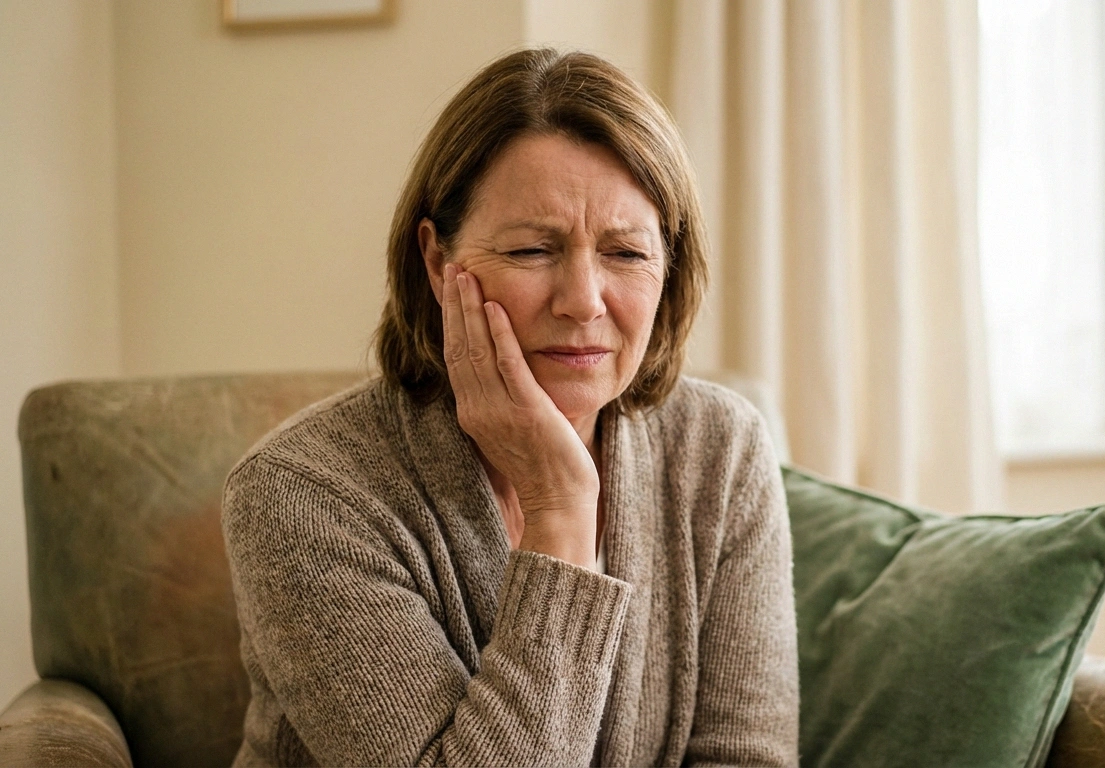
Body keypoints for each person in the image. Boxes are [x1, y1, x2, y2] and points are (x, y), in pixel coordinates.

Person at [221, 48, 799, 767]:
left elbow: (745, 757)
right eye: (532, 249)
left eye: (625, 254)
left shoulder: (722, 448)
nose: (584, 300)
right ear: (438, 262)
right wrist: (559, 506)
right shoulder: (301, 495)